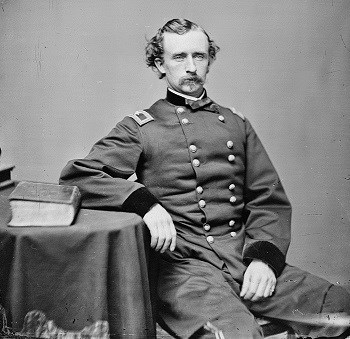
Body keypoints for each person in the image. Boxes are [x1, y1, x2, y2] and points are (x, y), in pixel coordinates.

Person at [60, 19, 350, 339]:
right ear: (160, 64)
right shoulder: (142, 127)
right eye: (179, 57)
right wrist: (146, 204)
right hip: (185, 272)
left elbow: (269, 200)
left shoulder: (236, 123)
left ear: (209, 61)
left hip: (243, 259)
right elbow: (80, 176)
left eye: (199, 56)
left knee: (340, 307)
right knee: (237, 333)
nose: (191, 67)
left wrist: (264, 261)